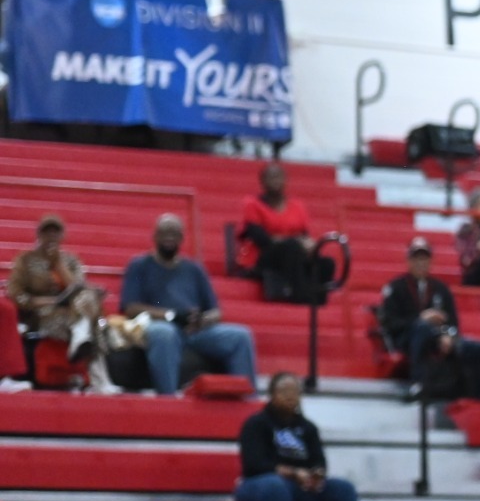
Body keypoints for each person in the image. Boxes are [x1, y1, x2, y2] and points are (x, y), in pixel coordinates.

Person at [120, 214, 258, 395]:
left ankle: (247, 399)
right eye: (165, 233)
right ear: (154, 236)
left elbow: (215, 311)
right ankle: (167, 400)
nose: (170, 237)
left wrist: (203, 319)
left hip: (196, 330)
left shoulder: (194, 269)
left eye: (175, 233)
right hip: (161, 325)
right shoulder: (139, 265)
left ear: (182, 238)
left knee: (241, 336)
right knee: (163, 333)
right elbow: (130, 308)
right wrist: (173, 316)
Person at [234, 372, 361, 501]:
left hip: (299, 488)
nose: (290, 395)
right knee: (276, 486)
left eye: (295, 391)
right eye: (284, 391)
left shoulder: (309, 427)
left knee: (344, 488)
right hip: (256, 485)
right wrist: (294, 473)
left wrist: (316, 476)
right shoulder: (256, 424)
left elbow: (320, 463)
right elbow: (254, 465)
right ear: (271, 393)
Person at [377, 237, 480, 400]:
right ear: (408, 261)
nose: (420, 263)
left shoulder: (441, 288)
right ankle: (419, 383)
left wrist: (449, 335)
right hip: (407, 339)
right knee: (423, 328)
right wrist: (420, 319)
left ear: (431, 261)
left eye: (424, 258)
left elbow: (453, 321)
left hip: (439, 337)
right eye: (416, 258)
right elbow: (390, 323)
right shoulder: (396, 287)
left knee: (479, 349)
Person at [8, 214, 112, 390]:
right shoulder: (25, 260)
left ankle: (82, 337)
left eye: (55, 233)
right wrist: (50, 301)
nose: (51, 237)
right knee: (91, 319)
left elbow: (77, 287)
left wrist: (59, 265)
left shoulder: (70, 260)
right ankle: (99, 378)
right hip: (41, 312)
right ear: (39, 235)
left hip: (72, 309)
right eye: (47, 233)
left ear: (62, 236)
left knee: (88, 297)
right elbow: (16, 294)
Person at [237, 163, 328, 305]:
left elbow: (304, 236)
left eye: (279, 177)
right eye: (271, 177)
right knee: (291, 246)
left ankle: (319, 300)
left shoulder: (298, 206)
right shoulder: (252, 205)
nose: (275, 181)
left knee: (326, 261)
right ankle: (300, 295)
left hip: (294, 252)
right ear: (262, 181)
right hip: (263, 256)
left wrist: (308, 244)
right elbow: (262, 239)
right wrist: (292, 240)